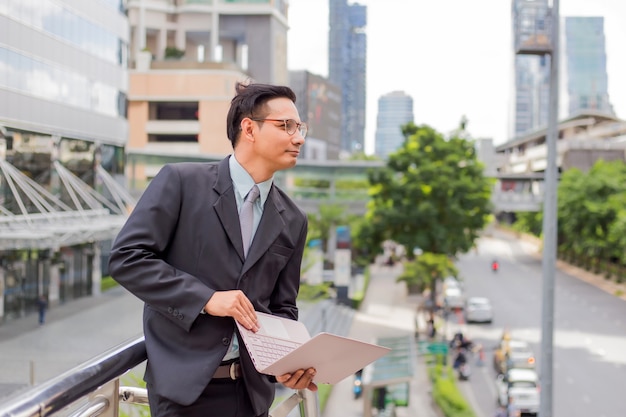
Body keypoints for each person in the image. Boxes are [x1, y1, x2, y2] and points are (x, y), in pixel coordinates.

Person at [108, 81, 313, 417]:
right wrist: (206, 299)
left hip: (251, 396)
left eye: (299, 127)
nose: (298, 137)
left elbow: (282, 307)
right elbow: (127, 258)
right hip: (183, 394)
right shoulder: (181, 182)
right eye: (286, 126)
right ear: (249, 128)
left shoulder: (293, 219)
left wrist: (288, 360)